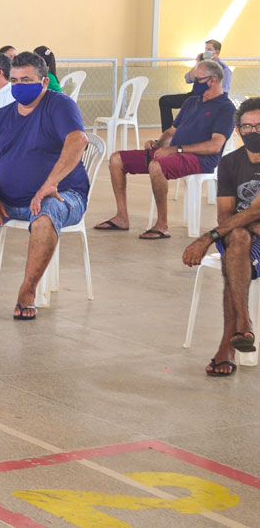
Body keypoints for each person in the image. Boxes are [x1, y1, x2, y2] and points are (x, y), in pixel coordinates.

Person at [0, 52, 89, 320]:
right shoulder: (3, 116)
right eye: (14, 80)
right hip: (9, 200)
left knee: (46, 214)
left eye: (27, 79)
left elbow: (78, 140)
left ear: (44, 82)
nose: (19, 86)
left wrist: (49, 184)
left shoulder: (59, 106)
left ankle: (27, 292)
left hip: (62, 195)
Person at [96, 59, 235, 239]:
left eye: (197, 80)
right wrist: (158, 143)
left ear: (213, 81)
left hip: (200, 159)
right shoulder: (192, 103)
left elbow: (215, 145)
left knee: (157, 166)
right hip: (175, 153)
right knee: (116, 159)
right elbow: (171, 131)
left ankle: (162, 225)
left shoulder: (225, 107)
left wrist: (176, 150)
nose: (194, 84)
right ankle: (122, 217)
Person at [182, 96, 260, 377]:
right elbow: (226, 216)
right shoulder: (229, 163)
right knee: (238, 240)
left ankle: (229, 343)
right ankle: (243, 326)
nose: (254, 132)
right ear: (238, 131)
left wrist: (205, 239)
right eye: (248, 127)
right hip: (239, 233)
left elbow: (256, 210)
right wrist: (247, 224)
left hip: (244, 236)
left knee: (235, 252)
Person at [160, 40, 234, 131]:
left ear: (217, 52)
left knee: (188, 112)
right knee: (164, 101)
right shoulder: (202, 65)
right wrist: (198, 64)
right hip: (194, 96)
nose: (206, 52)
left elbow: (224, 91)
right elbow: (188, 79)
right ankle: (167, 135)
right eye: (205, 49)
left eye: (209, 49)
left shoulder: (224, 69)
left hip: (209, 99)